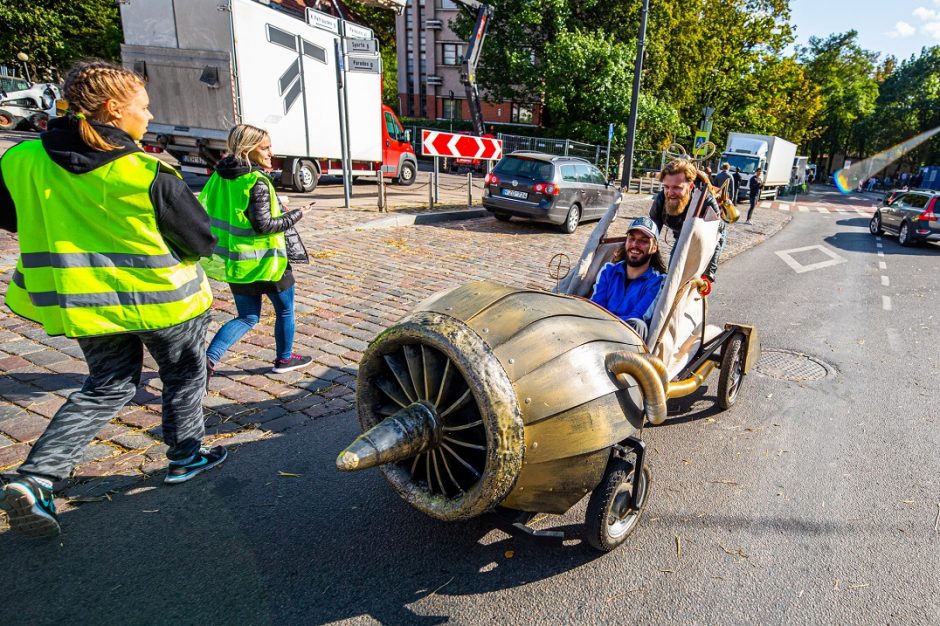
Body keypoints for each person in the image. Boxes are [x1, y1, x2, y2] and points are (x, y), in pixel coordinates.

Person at [0, 61, 225, 539]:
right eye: (143, 107)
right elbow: (201, 241)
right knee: (184, 374)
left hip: (85, 306)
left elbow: (11, 217)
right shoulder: (146, 171)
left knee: (108, 386)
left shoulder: (19, 161)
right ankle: (186, 457)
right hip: (165, 305)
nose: (149, 115)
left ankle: (38, 477)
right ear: (113, 110)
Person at [202, 124, 313, 383]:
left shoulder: (219, 177)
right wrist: (297, 214)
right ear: (248, 149)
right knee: (285, 311)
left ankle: (208, 360)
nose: (270, 152)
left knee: (247, 317)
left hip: (238, 263)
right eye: (265, 148)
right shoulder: (256, 180)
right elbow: (264, 225)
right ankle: (284, 359)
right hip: (268, 263)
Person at [649, 158, 726, 288]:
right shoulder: (662, 198)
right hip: (682, 235)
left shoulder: (706, 202)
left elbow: (714, 241)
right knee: (673, 272)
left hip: (707, 239)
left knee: (698, 277)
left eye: (677, 188)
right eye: (666, 187)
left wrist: (708, 274)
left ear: (690, 186)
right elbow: (651, 232)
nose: (670, 192)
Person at [590, 217, 666, 339]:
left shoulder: (657, 281)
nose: (635, 245)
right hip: (596, 333)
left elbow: (637, 315)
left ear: (654, 248)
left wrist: (604, 323)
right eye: (632, 239)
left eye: (644, 241)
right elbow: (595, 307)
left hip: (625, 340)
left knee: (638, 324)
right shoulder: (608, 271)